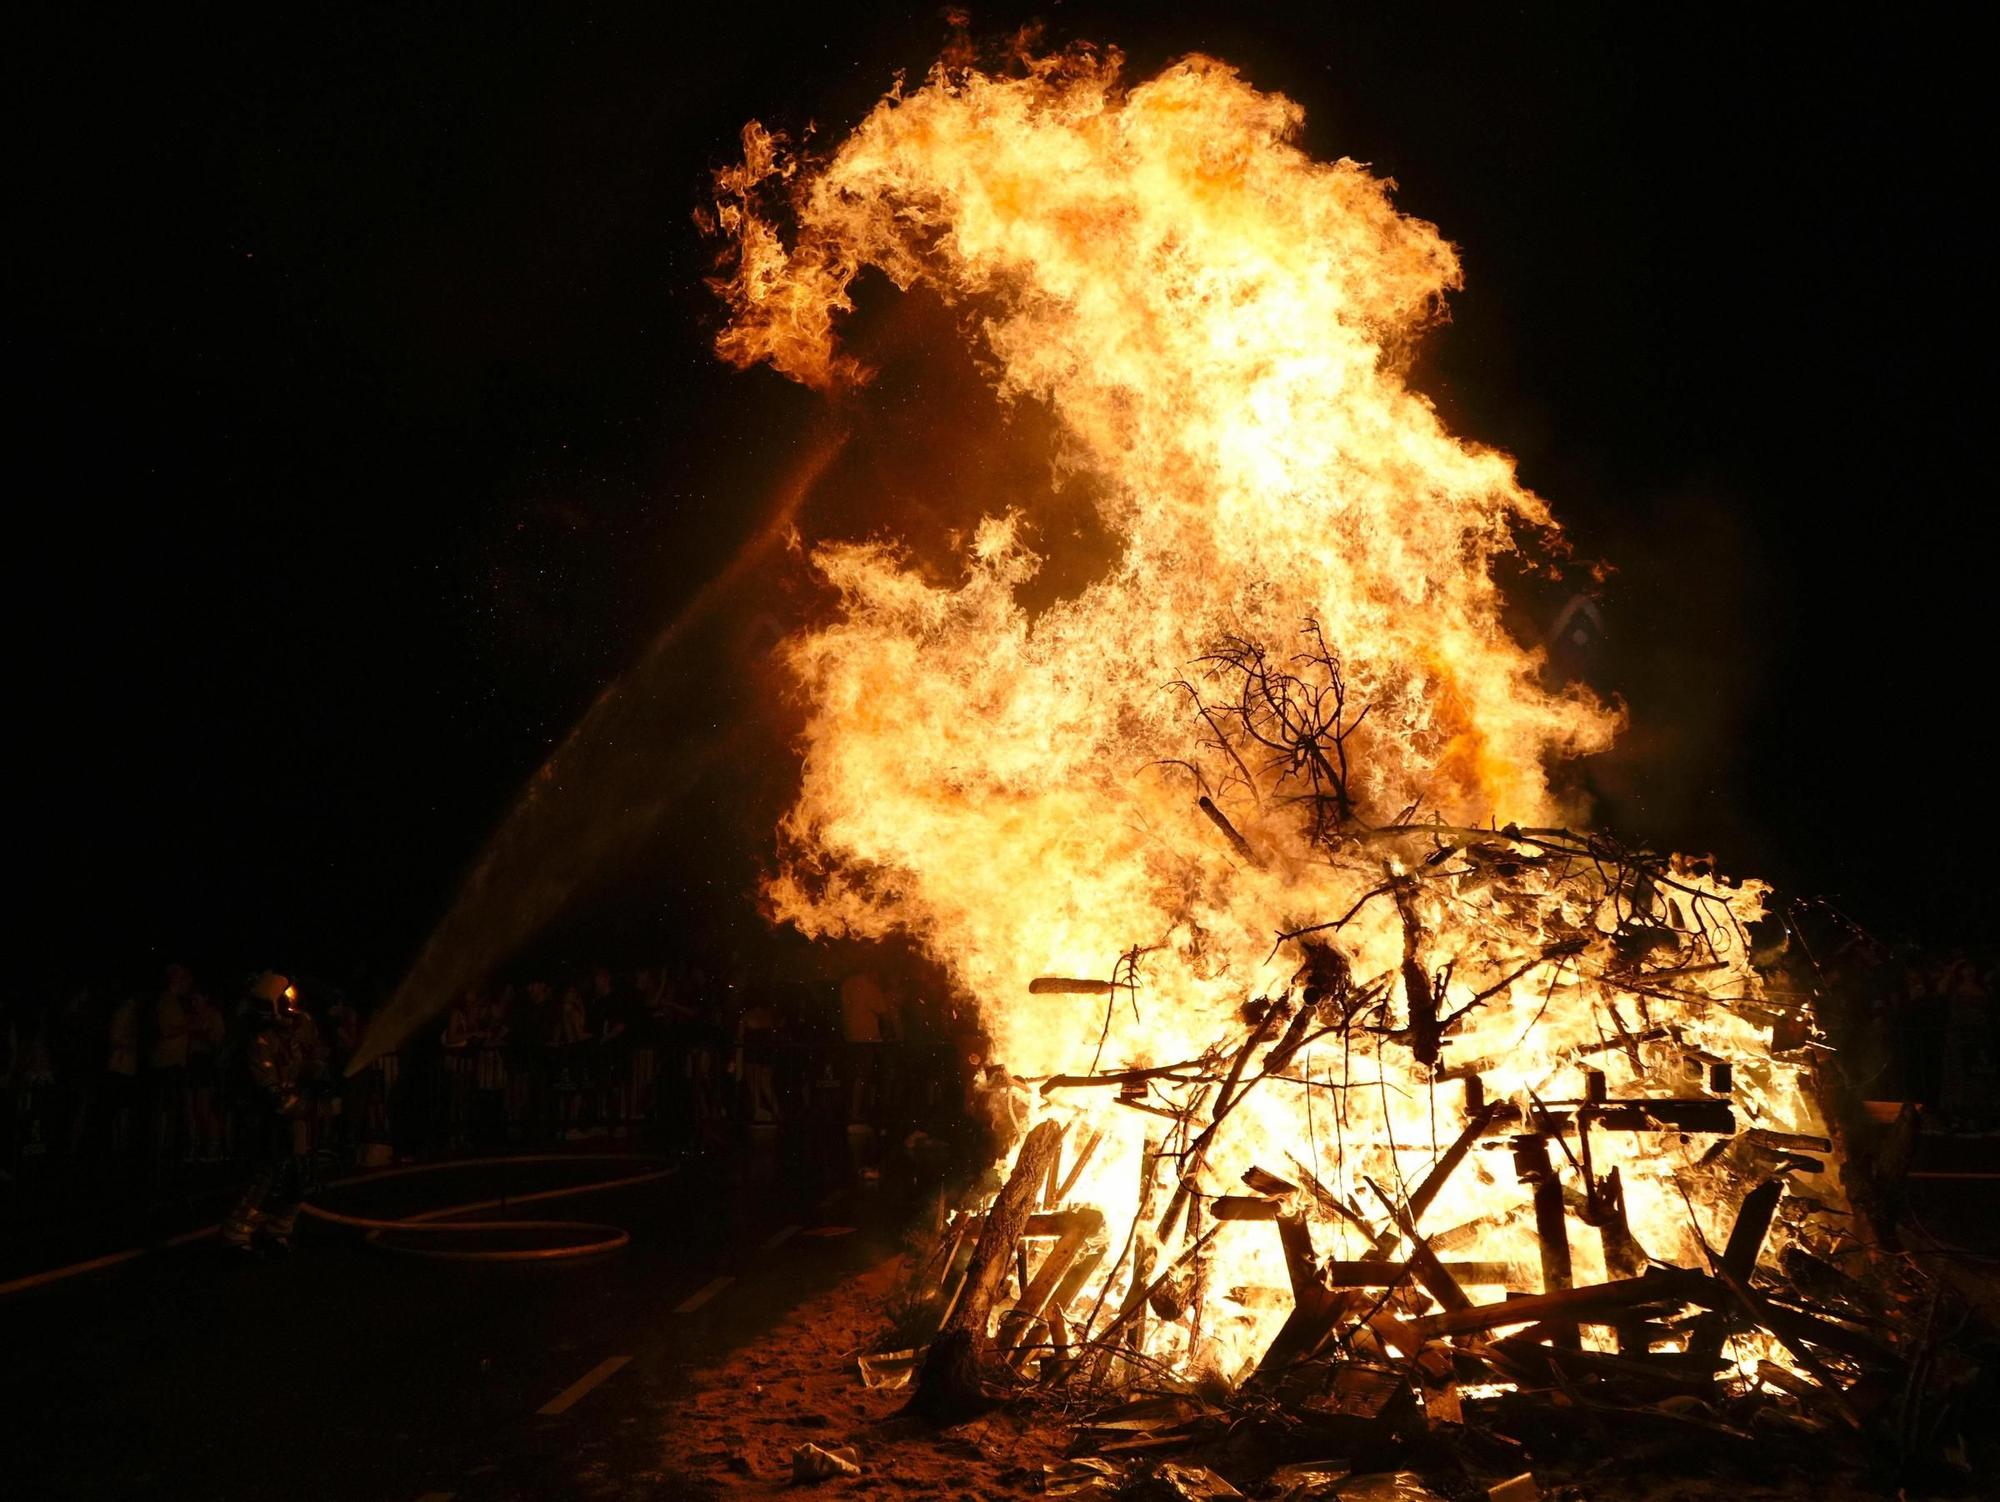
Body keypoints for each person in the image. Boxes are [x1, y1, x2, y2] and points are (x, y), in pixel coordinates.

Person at [222, 972, 324, 1254]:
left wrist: (317, 1072)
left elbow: (313, 1057)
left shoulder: (296, 1029)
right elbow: (268, 1088)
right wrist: (298, 1106)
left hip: (289, 1117)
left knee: (295, 1176)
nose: (292, 1005)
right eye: (285, 999)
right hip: (265, 1119)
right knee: (264, 1173)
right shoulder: (258, 1040)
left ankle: (279, 1229)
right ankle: (236, 1233)